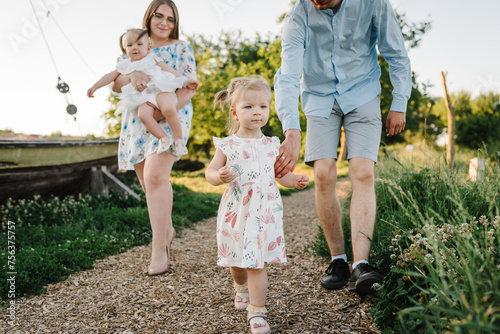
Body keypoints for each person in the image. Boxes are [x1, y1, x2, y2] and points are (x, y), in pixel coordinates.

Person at [274, 0, 411, 294]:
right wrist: (292, 129)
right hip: (319, 97)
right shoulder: (298, 15)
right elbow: (287, 75)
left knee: (362, 172)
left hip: (362, 93)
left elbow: (396, 53)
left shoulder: (373, 4)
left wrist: (399, 102)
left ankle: (361, 264)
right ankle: (338, 260)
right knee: (323, 173)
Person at [205, 76, 309, 334]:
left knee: (256, 261)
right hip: (237, 212)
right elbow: (210, 172)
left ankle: (257, 312)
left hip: (263, 213)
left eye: (263, 106)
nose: (257, 112)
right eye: (249, 107)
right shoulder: (228, 144)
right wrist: (219, 177)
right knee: (237, 262)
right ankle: (240, 287)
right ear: (235, 112)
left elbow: (280, 175)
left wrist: (294, 179)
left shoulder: (272, 145)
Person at [110, 0, 198, 276]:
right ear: (149, 18)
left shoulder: (181, 47)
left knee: (156, 176)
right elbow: (115, 85)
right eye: (158, 16)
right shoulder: (135, 46)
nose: (163, 22)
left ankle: (159, 247)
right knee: (148, 184)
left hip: (172, 115)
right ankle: (166, 229)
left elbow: (188, 87)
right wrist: (132, 73)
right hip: (138, 121)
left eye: (170, 19)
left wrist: (162, 111)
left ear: (175, 23)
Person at [87, 28, 198, 157]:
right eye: (130, 45)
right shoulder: (125, 65)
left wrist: (186, 81)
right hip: (145, 98)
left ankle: (179, 141)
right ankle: (164, 138)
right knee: (143, 115)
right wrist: (95, 86)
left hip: (161, 90)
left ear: (148, 48)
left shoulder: (152, 58)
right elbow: (109, 76)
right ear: (125, 49)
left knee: (168, 108)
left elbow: (170, 71)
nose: (134, 47)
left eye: (139, 44)